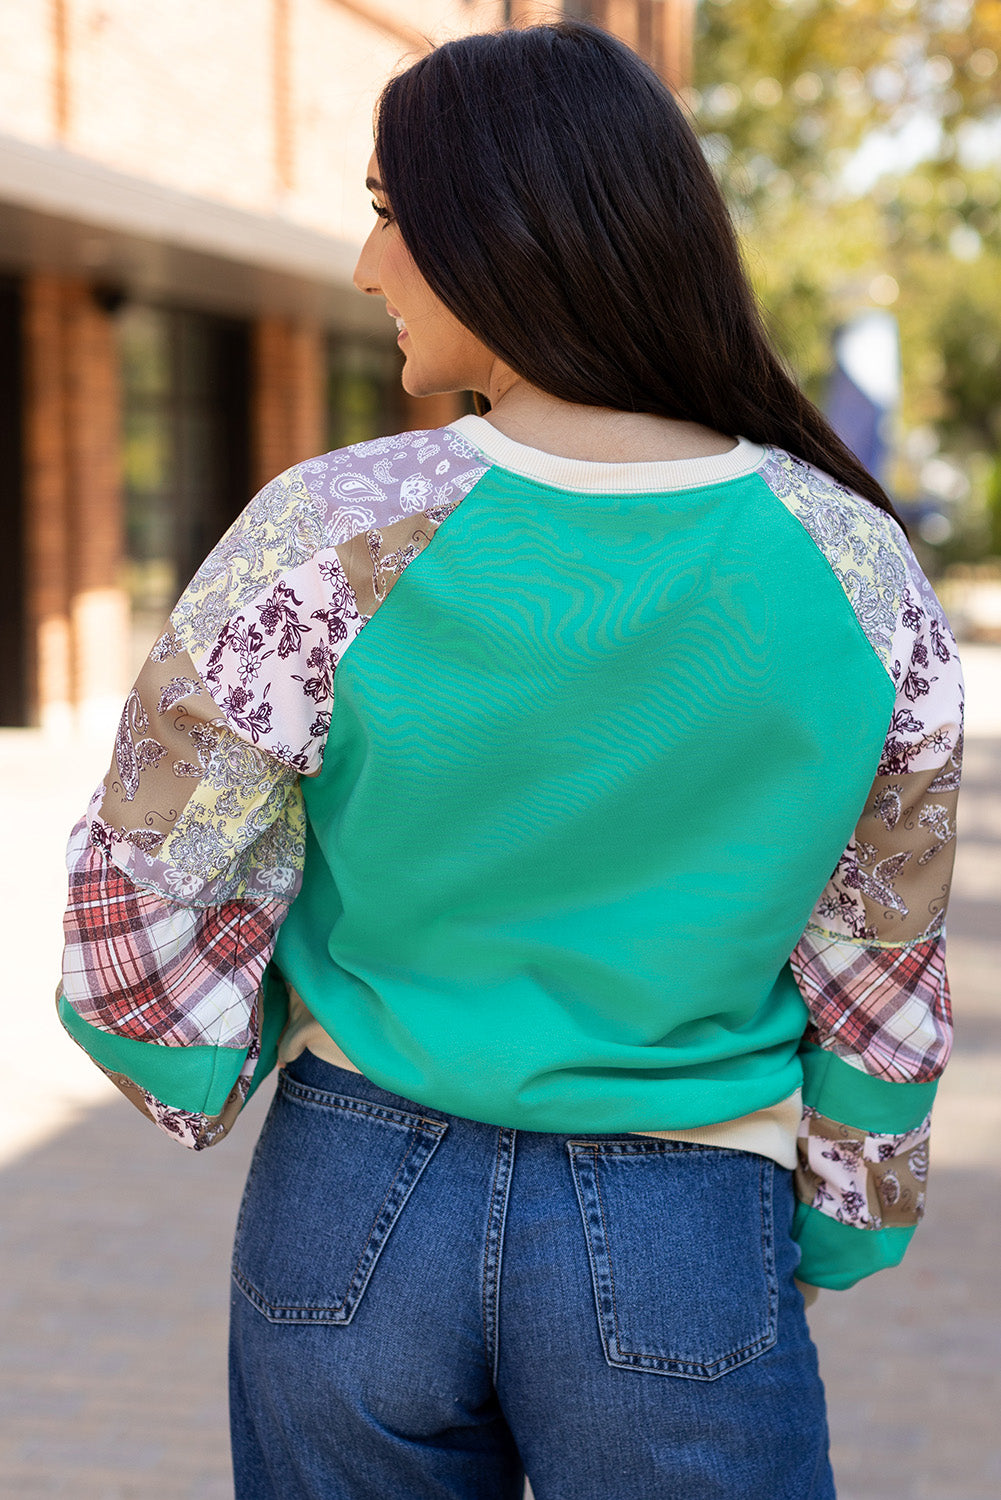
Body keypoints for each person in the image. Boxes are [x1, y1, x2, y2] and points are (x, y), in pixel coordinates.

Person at [58, 20, 962, 1500]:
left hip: (346, 1204)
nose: (365, 266)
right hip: (686, 1218)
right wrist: (853, 1209)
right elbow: (878, 944)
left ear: (505, 228)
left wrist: (204, 1048)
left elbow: (148, 867)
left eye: (388, 214)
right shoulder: (853, 568)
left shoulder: (330, 534)